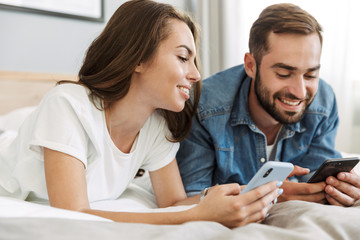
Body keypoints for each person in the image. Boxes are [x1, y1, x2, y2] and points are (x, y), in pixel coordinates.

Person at [0, 0, 282, 228]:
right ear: (138, 58)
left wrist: (233, 196)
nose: (196, 74)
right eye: (183, 57)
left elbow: (171, 203)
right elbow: (75, 214)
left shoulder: (156, 126)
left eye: (194, 61)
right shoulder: (68, 106)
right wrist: (197, 216)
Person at [177, 3, 360, 207]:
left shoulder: (323, 102)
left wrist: (337, 190)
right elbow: (191, 199)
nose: (300, 92)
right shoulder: (204, 106)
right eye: (283, 74)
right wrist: (270, 195)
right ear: (251, 66)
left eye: (310, 75)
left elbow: (315, 180)